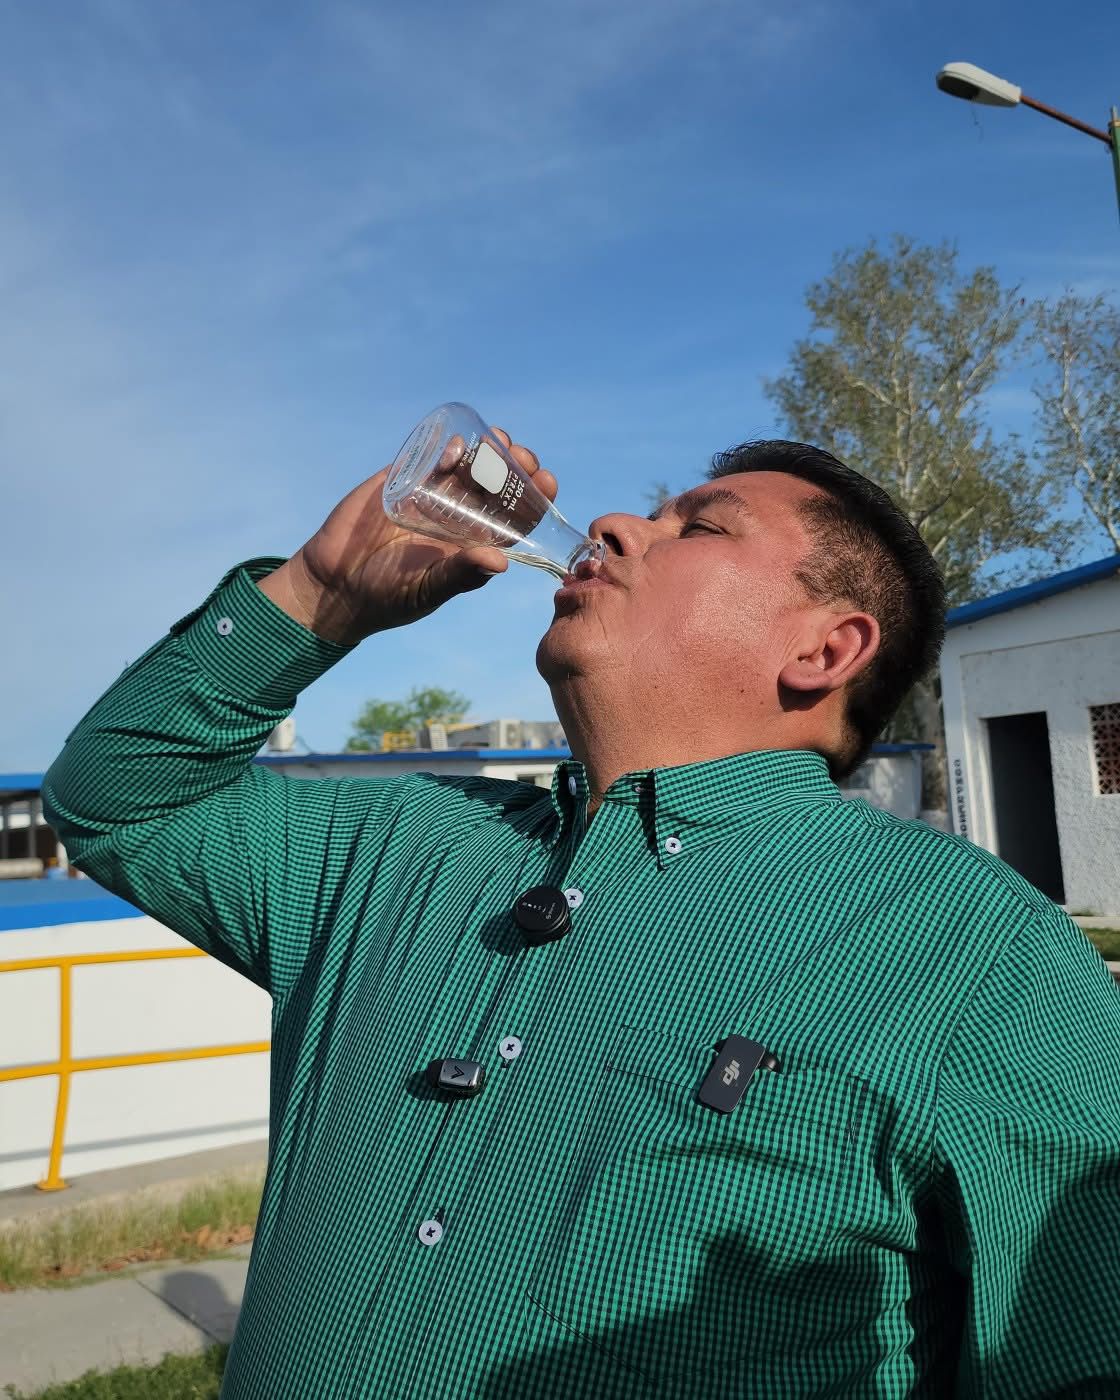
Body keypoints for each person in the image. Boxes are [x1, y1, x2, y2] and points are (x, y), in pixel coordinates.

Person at [43, 432, 1120, 1398]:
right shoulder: (398, 846)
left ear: (824, 651)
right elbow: (117, 795)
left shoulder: (976, 955)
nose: (612, 524)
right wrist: (324, 592)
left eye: (697, 525)